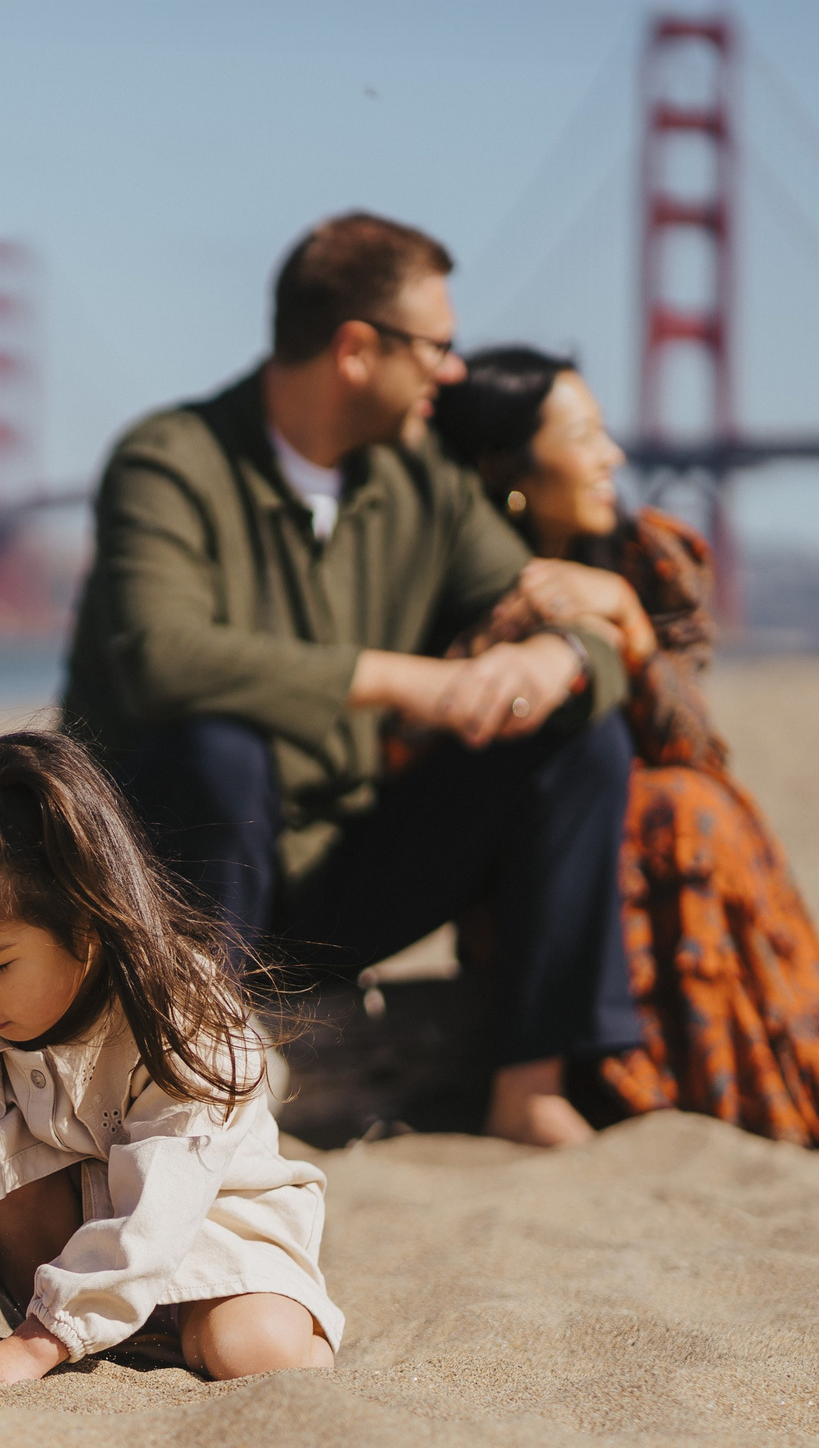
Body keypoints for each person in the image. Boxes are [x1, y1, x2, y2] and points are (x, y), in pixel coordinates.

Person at [60, 211, 641, 1149]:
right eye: (436, 348)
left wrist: (555, 655)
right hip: (166, 884)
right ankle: (186, 1085)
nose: (451, 373)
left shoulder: (423, 481)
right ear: (357, 350)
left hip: (331, 879)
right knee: (222, 747)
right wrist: (415, 683)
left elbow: (570, 626)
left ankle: (529, 1086)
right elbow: (160, 655)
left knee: (579, 732)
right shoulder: (167, 461)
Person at [430, 347, 819, 1157]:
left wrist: (627, 623)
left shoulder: (648, 561)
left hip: (652, 844)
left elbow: (692, 746)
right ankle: (628, 1078)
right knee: (673, 807)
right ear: (506, 465)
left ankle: (719, 1085)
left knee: (691, 803)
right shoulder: (446, 570)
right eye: (587, 436)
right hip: (521, 861)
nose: (615, 456)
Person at [0, 731, 343, 1383]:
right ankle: (81, 1326)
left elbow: (164, 1204)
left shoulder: (178, 1013)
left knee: (252, 1352)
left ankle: (279, 1335)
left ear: (87, 922)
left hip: (207, 1232)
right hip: (59, 1264)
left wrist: (36, 1346)